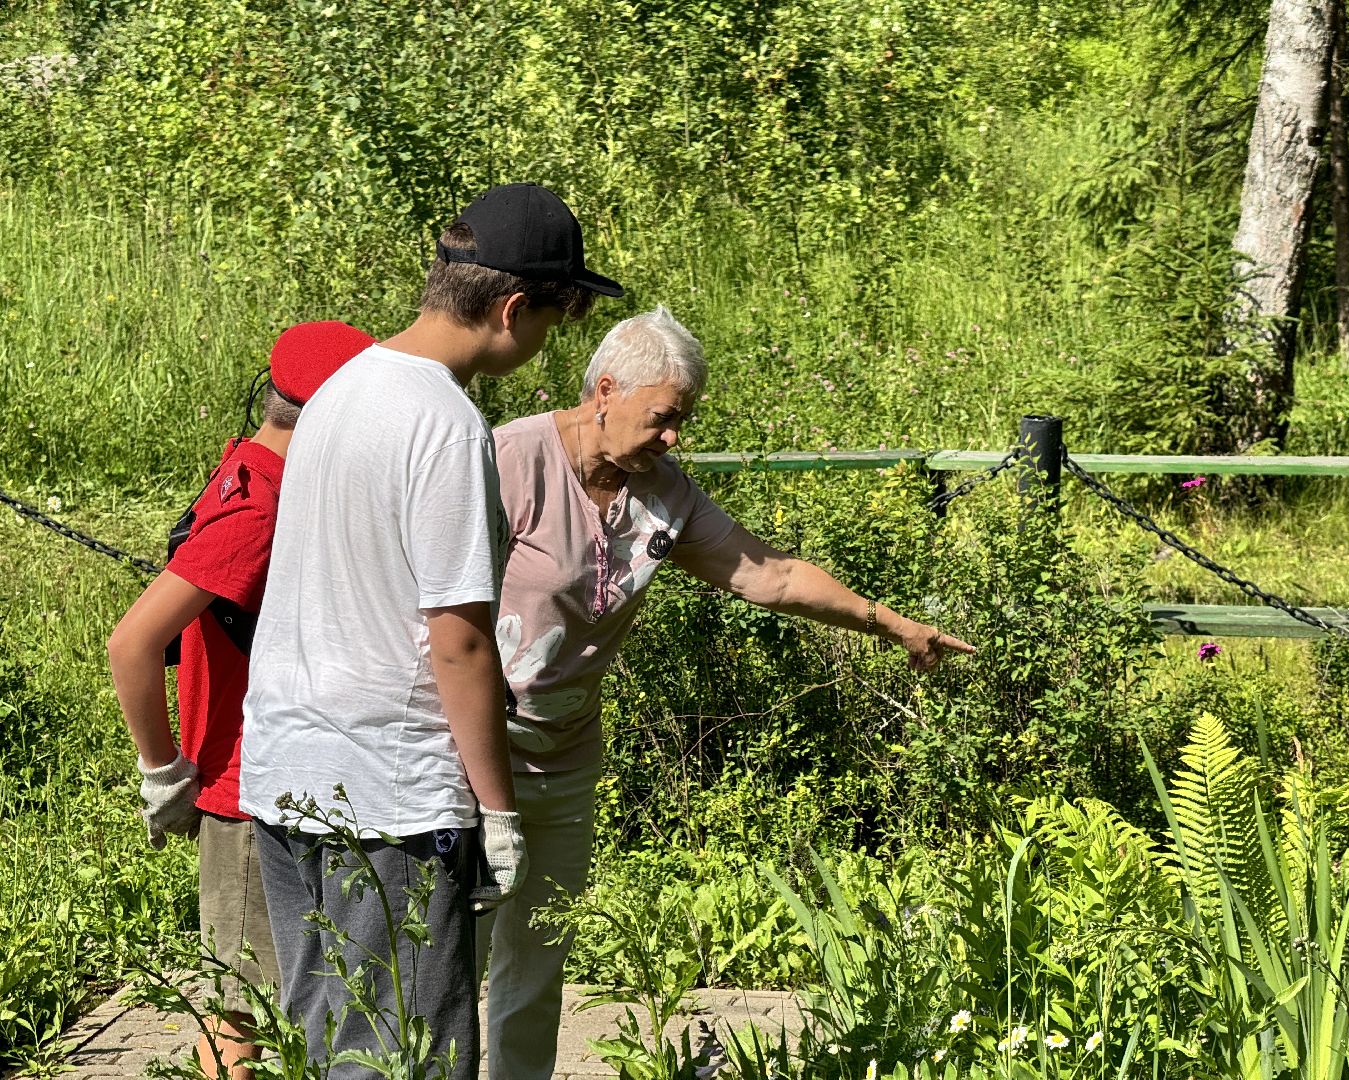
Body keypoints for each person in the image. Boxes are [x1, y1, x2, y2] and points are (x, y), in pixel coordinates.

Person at [483, 306, 973, 1080]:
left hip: (564, 759)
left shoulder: (664, 495)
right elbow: (435, 612)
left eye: (684, 421)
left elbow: (770, 574)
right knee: (444, 957)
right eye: (664, 418)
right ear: (605, 389)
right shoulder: (507, 461)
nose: (675, 437)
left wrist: (892, 624)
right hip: (472, 755)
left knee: (538, 963)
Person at [237, 184, 622, 1079]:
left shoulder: (340, 390)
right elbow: (458, 637)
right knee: (404, 1055)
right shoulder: (446, 424)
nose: (546, 346)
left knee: (334, 1042)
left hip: (288, 774)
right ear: (513, 307)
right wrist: (496, 809)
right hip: (389, 799)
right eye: (555, 321)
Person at [107, 320, 375, 1080]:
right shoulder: (261, 509)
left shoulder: (250, 464)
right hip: (242, 792)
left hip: (269, 777)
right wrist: (164, 772)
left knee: (265, 1000)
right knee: (241, 1017)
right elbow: (131, 643)